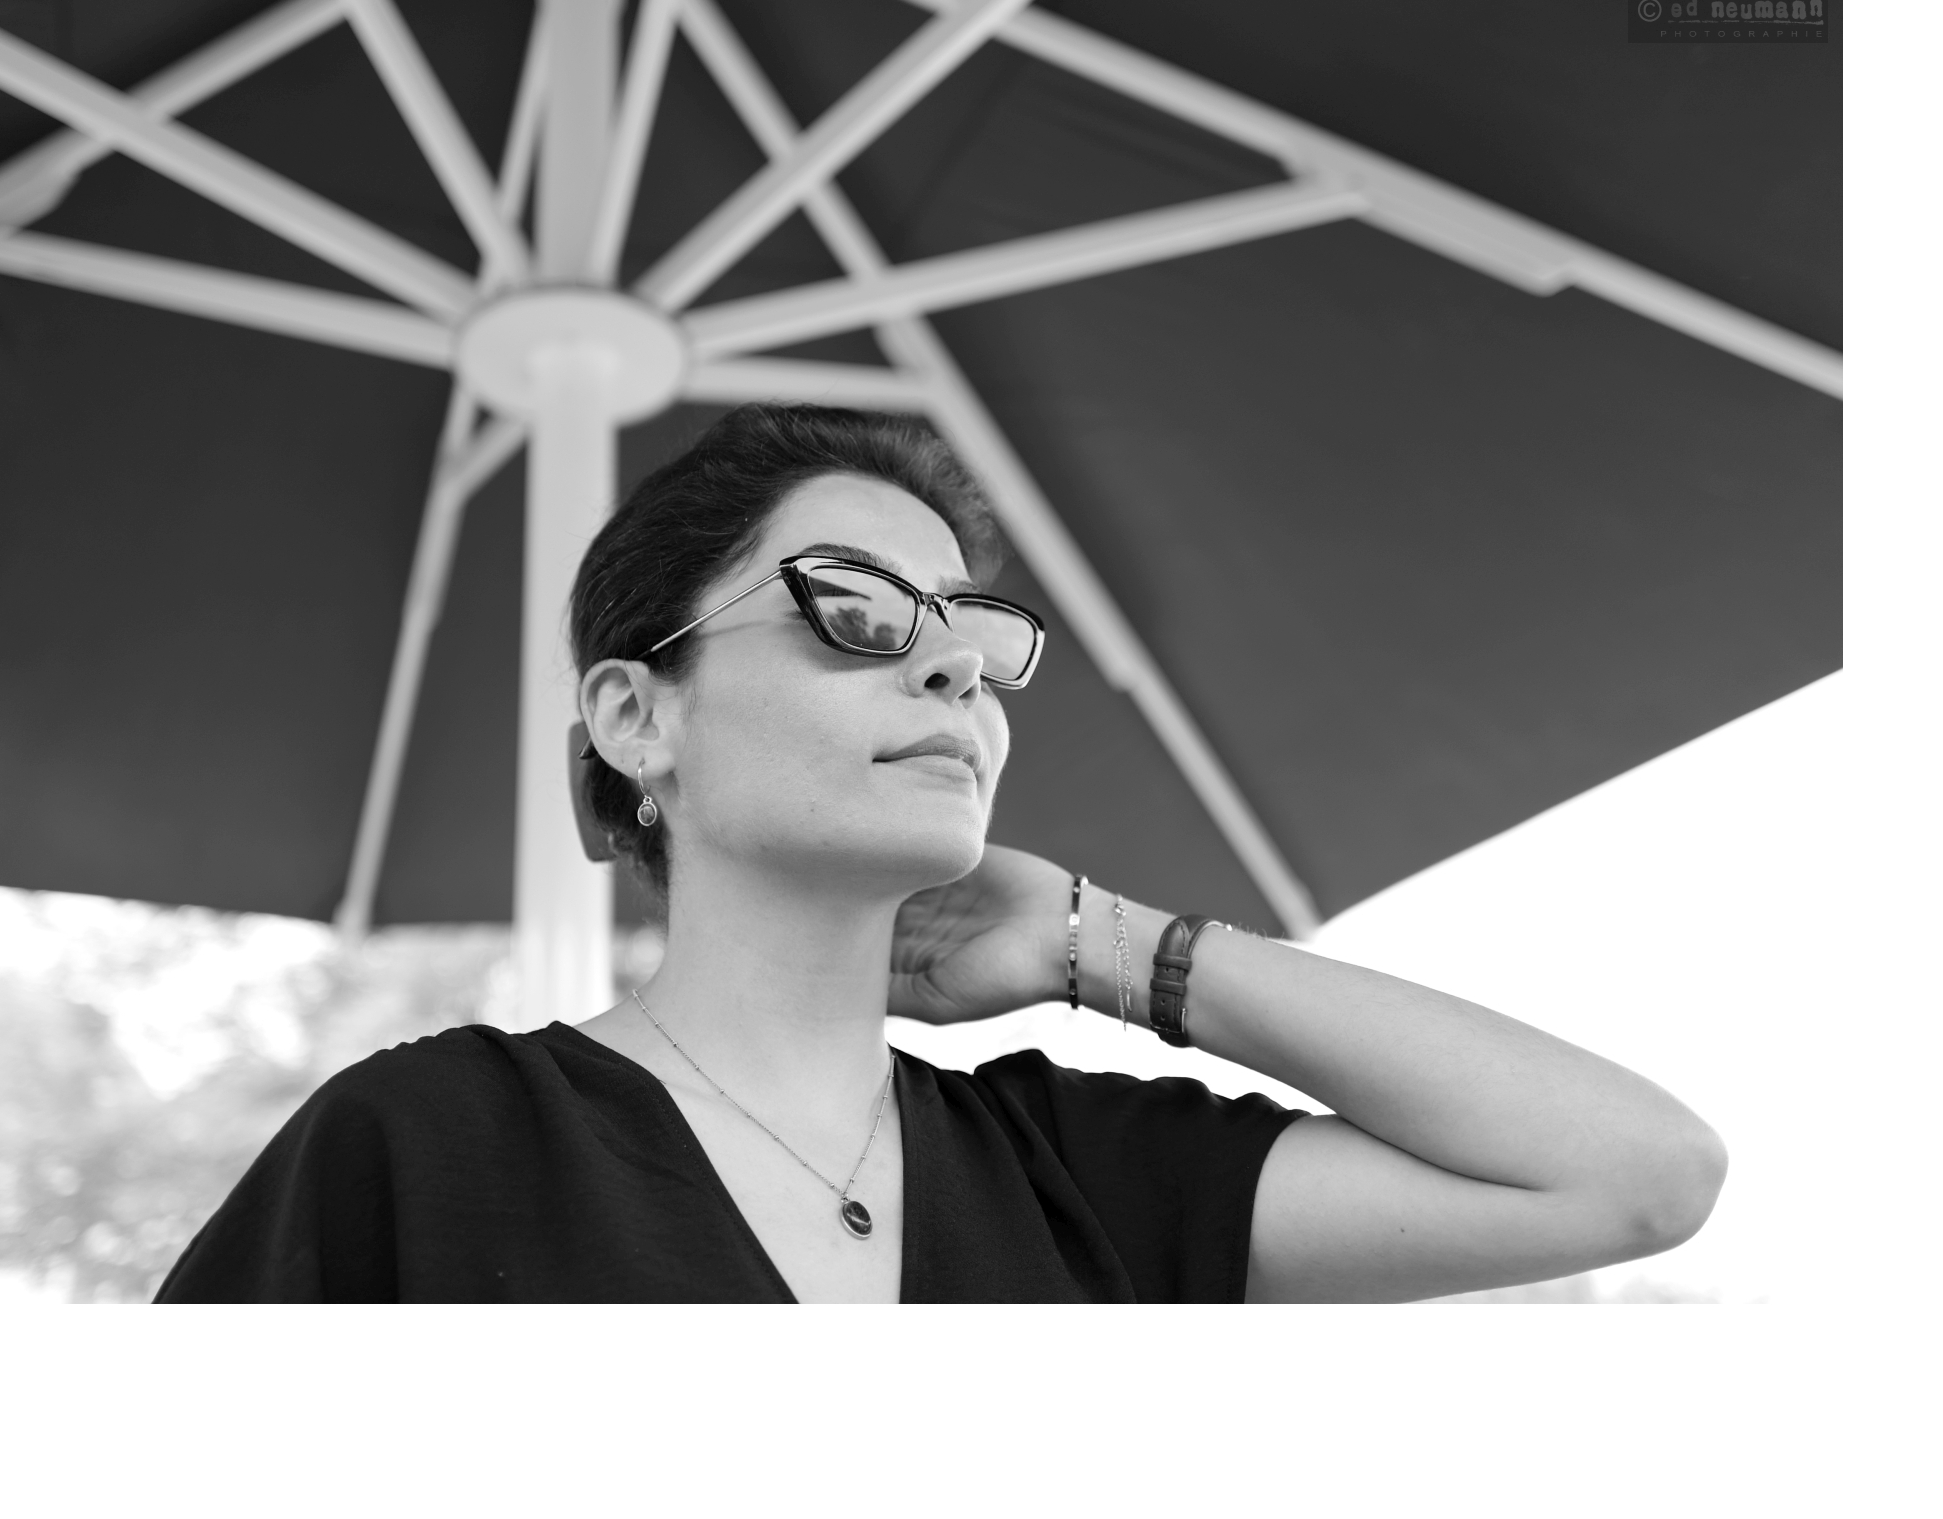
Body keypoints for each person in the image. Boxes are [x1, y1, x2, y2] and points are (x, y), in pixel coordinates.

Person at [156, 405, 1727, 1303]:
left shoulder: (1074, 1173)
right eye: (854, 607)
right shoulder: (421, 1151)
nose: (954, 665)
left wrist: (1112, 947)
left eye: (970, 628)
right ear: (637, 714)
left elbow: (1637, 1175)